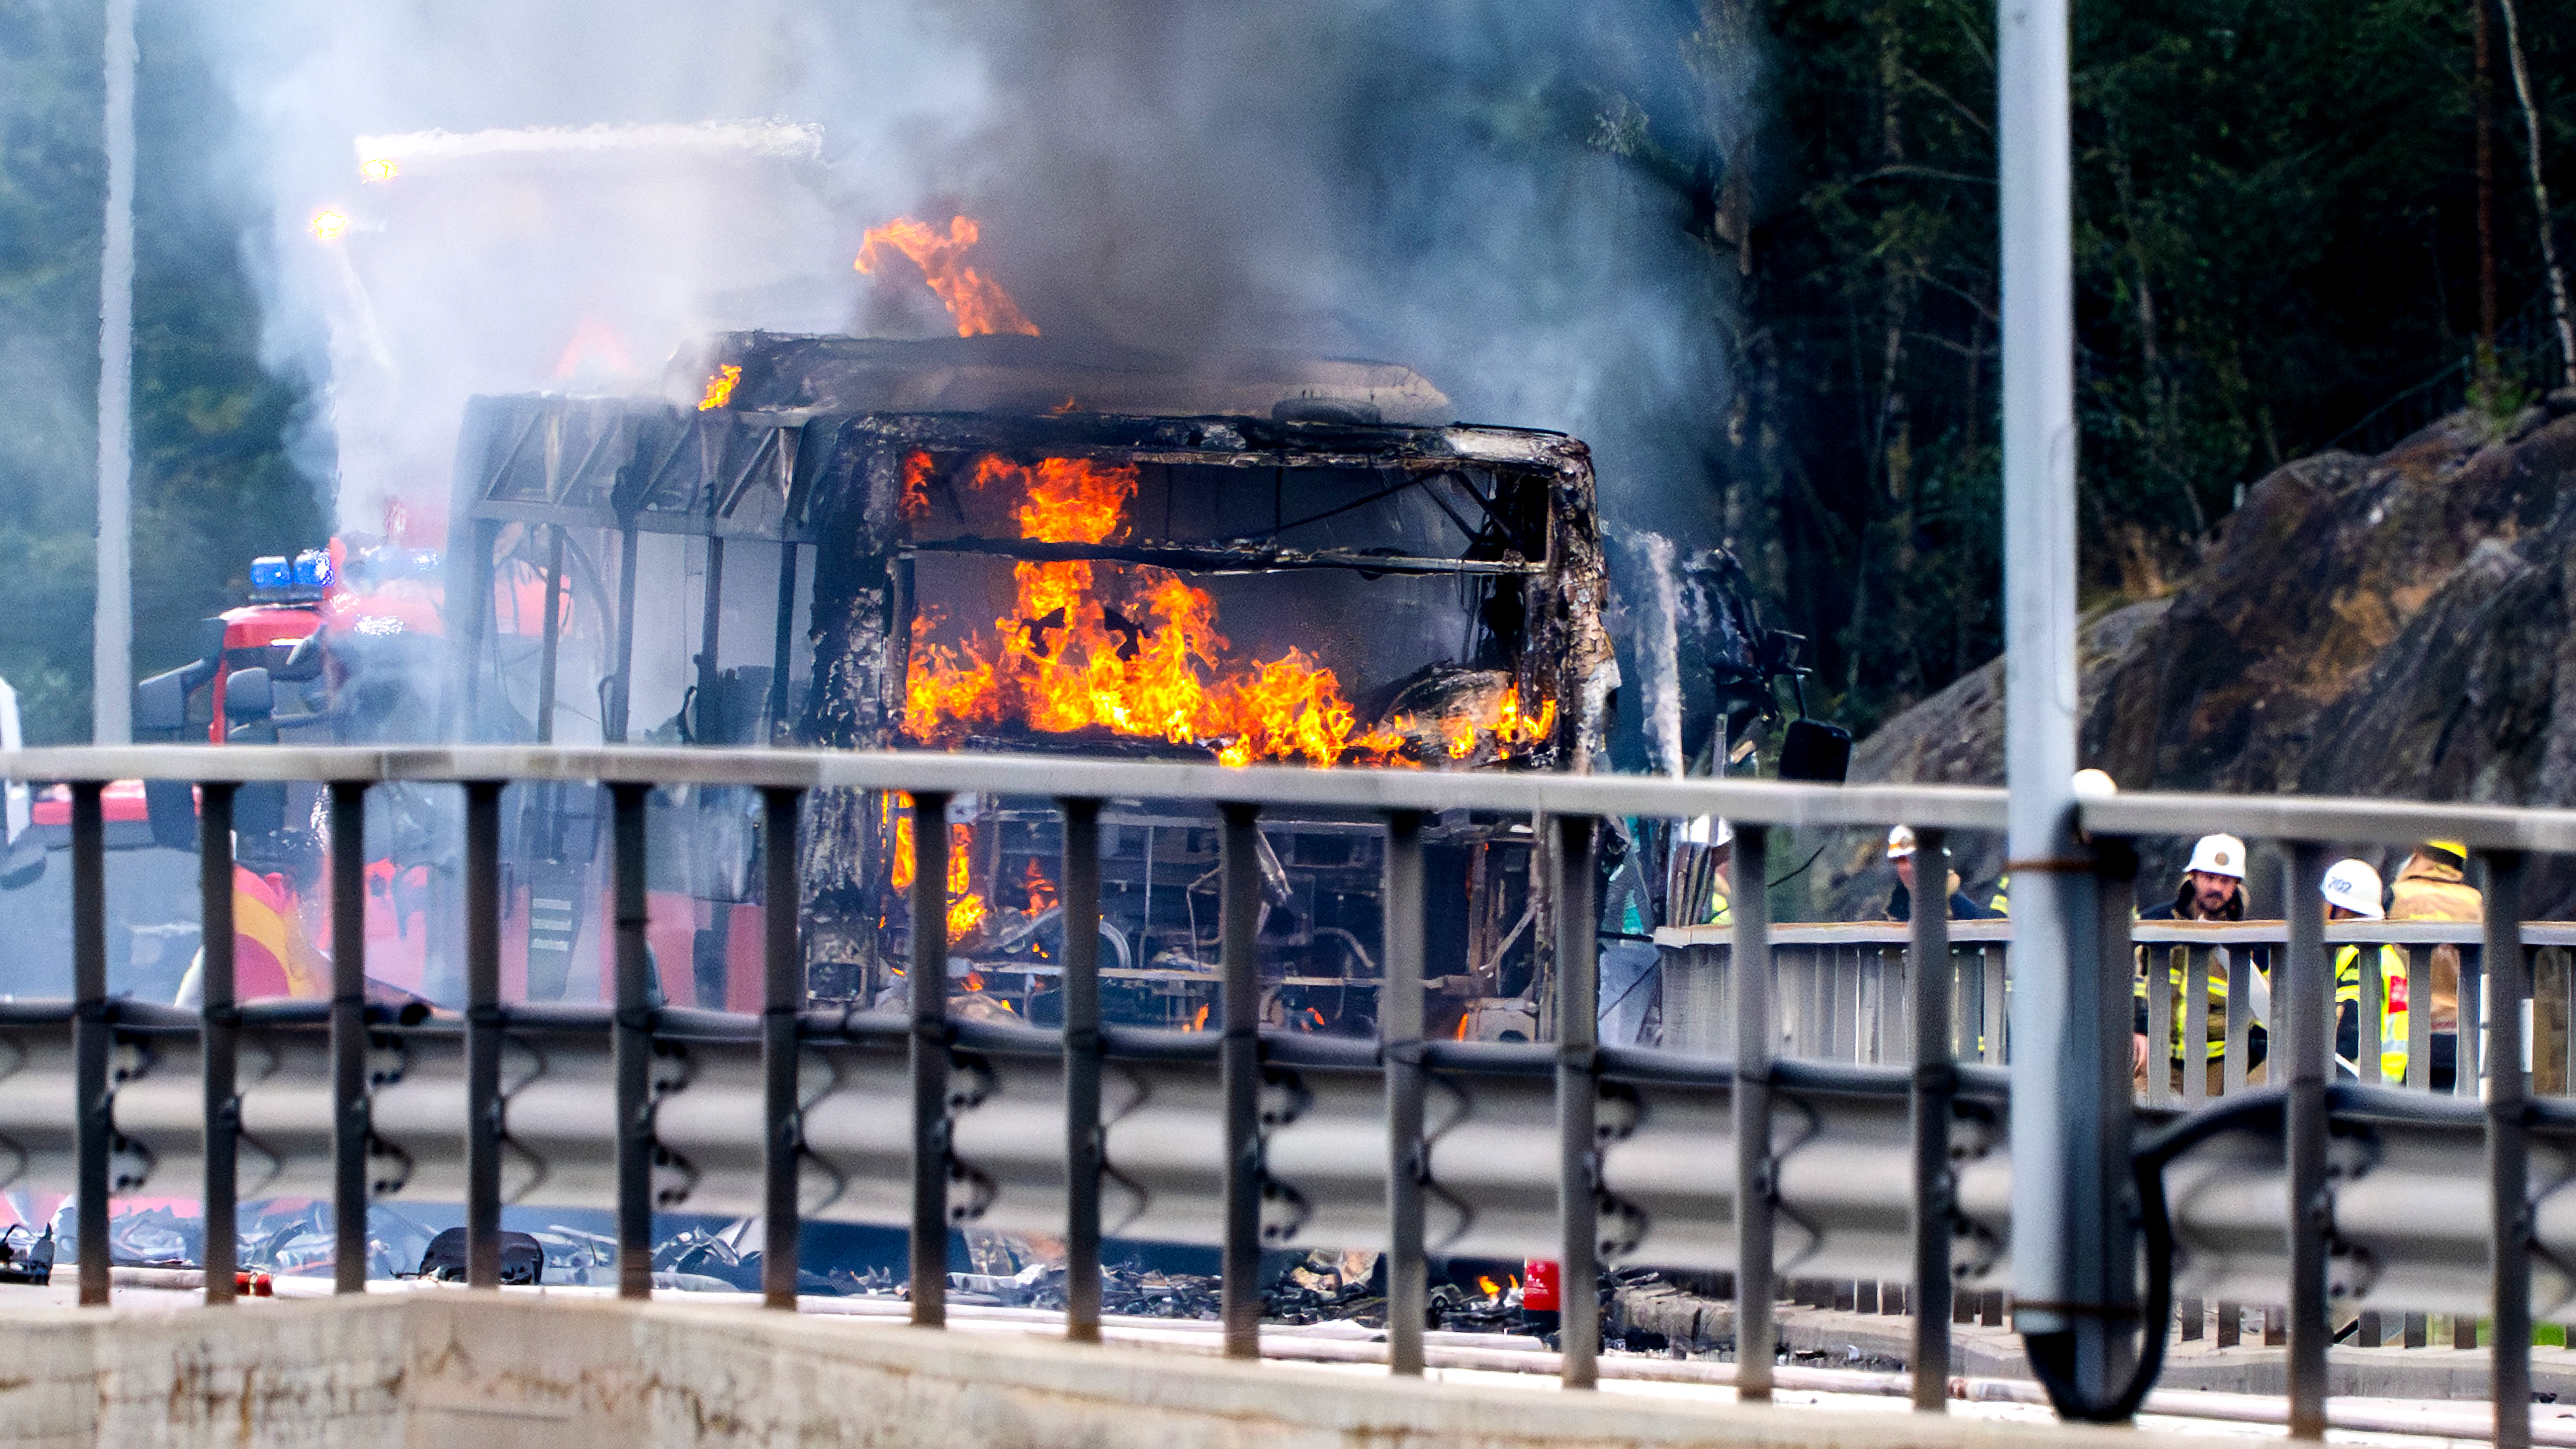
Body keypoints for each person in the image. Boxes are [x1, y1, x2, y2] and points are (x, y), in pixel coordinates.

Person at [2133, 833, 2264, 1093]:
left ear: (2236, 883)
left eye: (2225, 880)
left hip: (2220, 1068)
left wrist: (2249, 1057)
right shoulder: (2154, 923)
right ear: (2193, 877)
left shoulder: (2253, 940)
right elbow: (2129, 978)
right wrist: (2138, 1028)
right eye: (2209, 877)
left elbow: (2267, 1009)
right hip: (2155, 1058)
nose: (2216, 887)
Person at [2387, 840, 2480, 1092]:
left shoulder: (2396, 896)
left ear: (2419, 855)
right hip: (2461, 1033)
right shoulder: (2475, 902)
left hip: (2405, 1035)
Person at [2324, 858, 2409, 1083]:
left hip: (2354, 1082)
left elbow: (2349, 1035)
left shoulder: (2358, 958)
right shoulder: (2385, 955)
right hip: (2382, 1083)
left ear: (2340, 910)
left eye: (2325, 901)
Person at [1882, 826, 1993, 922]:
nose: (1905, 869)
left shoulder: (1973, 916)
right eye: (1899, 861)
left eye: (1914, 858)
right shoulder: (1890, 909)